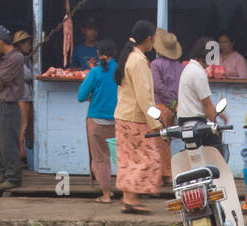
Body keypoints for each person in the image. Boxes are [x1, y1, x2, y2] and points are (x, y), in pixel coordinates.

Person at [113, 19, 163, 214]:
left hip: (124, 116)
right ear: (149, 39)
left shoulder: (130, 56)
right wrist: (155, 122)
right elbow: (144, 96)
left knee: (128, 158)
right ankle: (132, 200)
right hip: (135, 118)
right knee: (147, 158)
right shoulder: (139, 60)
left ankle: (129, 199)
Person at [77, 37, 117, 205]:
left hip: (97, 121)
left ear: (99, 54)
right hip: (118, 121)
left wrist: (92, 97)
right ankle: (129, 193)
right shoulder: (122, 70)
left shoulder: (95, 72)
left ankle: (106, 194)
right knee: (119, 157)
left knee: (100, 159)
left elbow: (81, 96)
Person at [0, 25, 24, 192]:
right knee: (2, 143)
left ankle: (14, 177)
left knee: (9, 142)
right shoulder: (6, 59)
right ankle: (7, 172)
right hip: (1, 104)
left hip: (9, 105)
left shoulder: (16, 58)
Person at [178, 36, 229, 157]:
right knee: (215, 157)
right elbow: (206, 103)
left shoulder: (190, 68)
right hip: (196, 122)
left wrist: (217, 113)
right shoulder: (199, 73)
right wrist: (215, 122)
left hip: (186, 121)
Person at [150, 28, 183, 184]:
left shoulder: (155, 64)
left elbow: (158, 87)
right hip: (173, 109)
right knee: (166, 141)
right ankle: (164, 175)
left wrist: (171, 103)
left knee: (159, 143)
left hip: (160, 107)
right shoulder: (180, 66)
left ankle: (165, 175)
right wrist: (175, 104)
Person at [13, 30, 35, 165]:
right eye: (27, 43)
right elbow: (28, 76)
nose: (30, 45)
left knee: (29, 126)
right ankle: (21, 156)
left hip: (28, 95)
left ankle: (27, 154)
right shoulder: (18, 59)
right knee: (23, 126)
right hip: (22, 96)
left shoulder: (26, 58)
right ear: (21, 44)